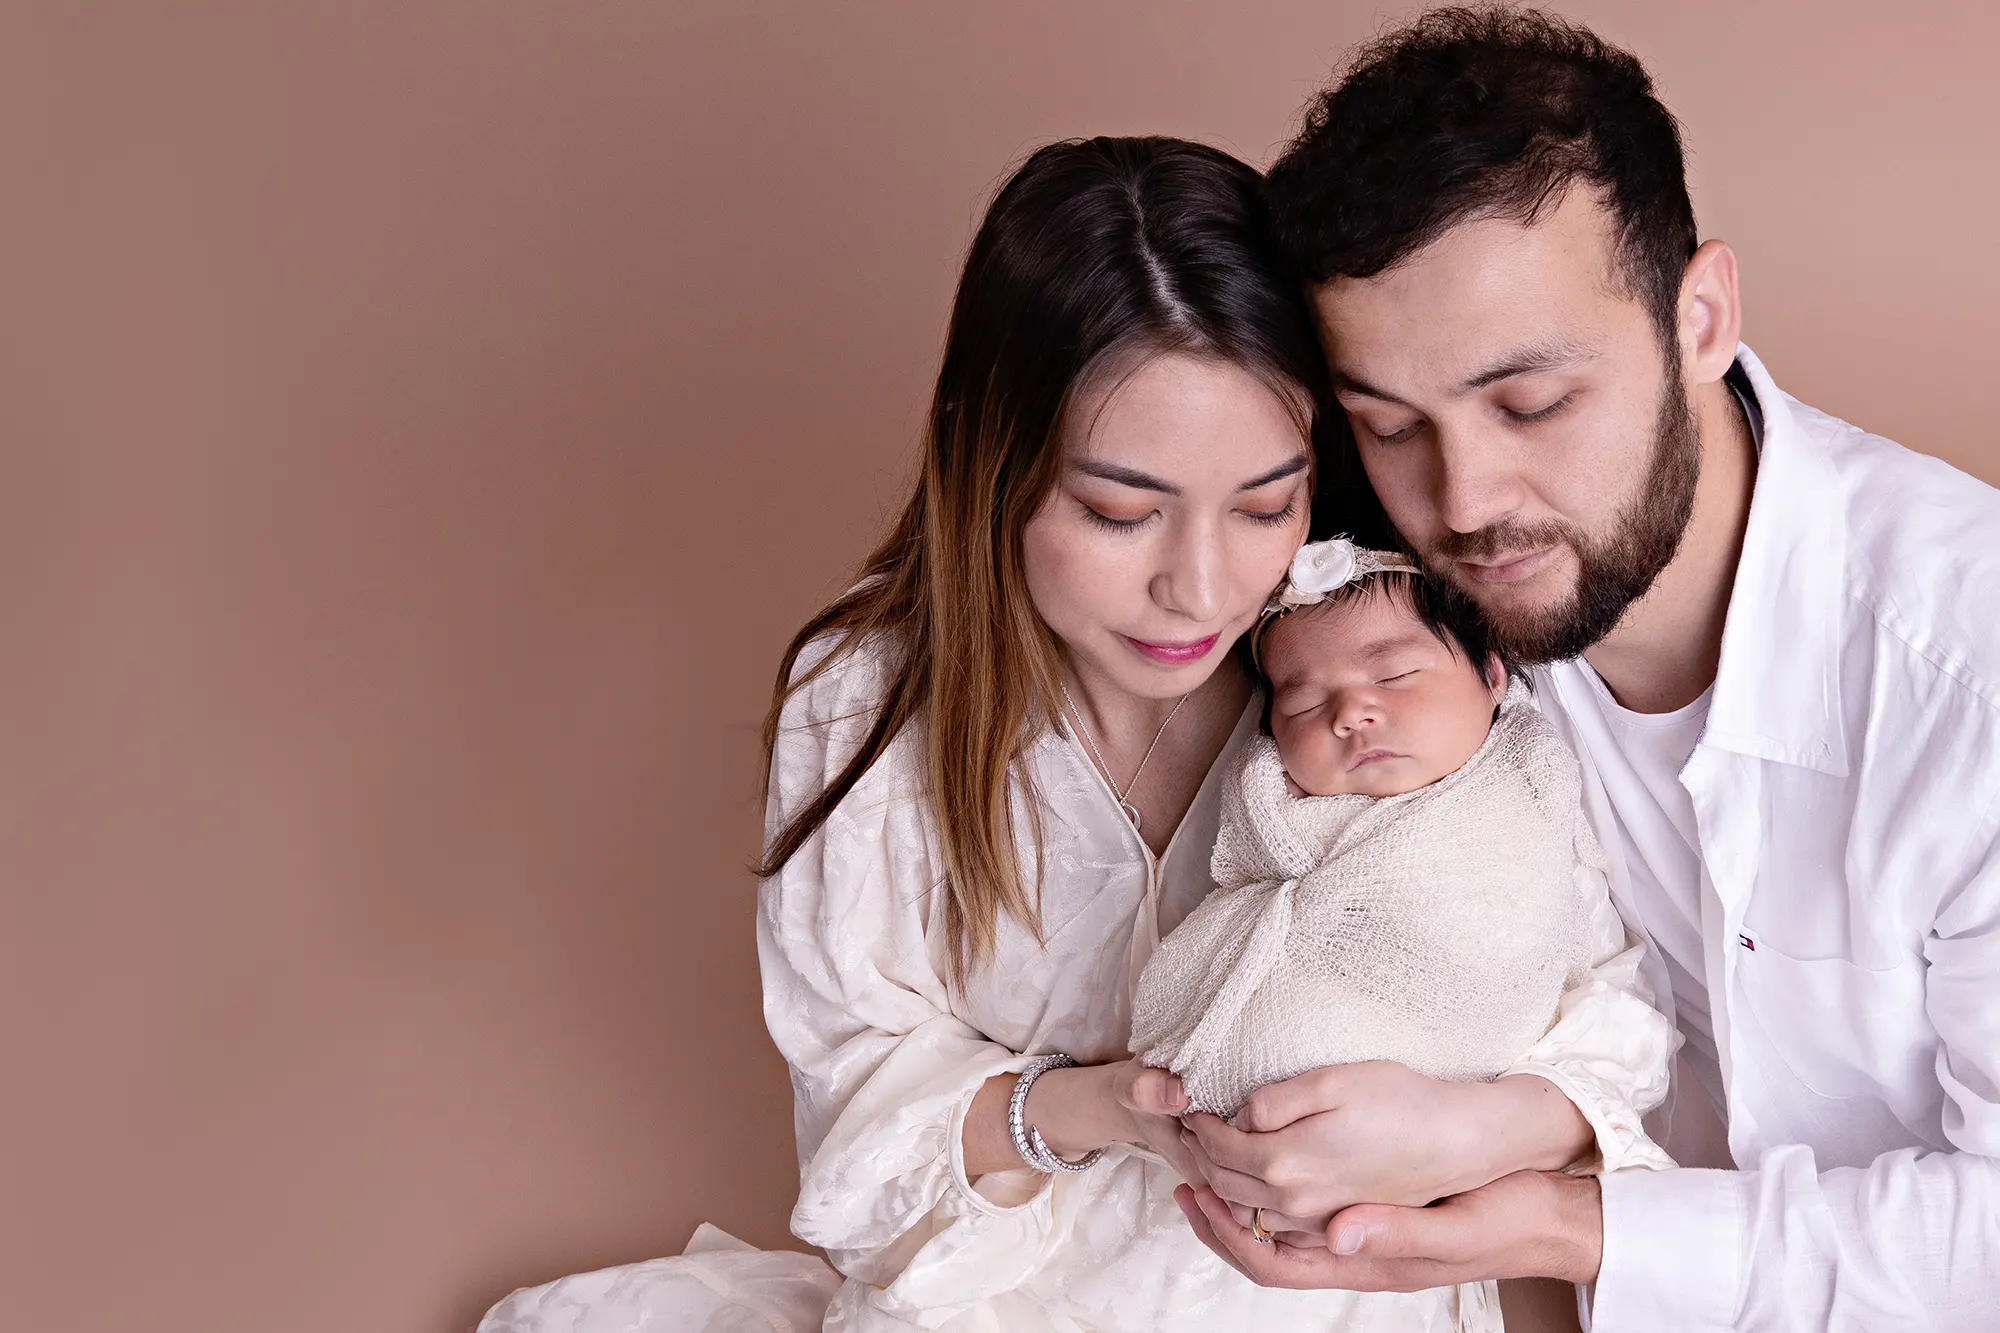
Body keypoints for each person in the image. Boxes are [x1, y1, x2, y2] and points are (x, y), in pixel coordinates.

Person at [479, 134, 1669, 1333]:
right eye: (1117, 512)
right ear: (992, 464)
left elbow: (1610, 1011)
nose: (1201, 590)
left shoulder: (1401, 661)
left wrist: (1471, 1124)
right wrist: (1101, 1107)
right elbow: (858, 1130)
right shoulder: (862, 704)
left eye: (1264, 503)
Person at [1176, 9, 2000, 1331]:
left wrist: (1567, 1215)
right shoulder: (1391, 611)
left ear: (1702, 315)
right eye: (1393, 425)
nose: (1466, 497)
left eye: (1534, 404)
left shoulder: (1968, 671)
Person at [1128, 538, 1674, 1331]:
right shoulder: (1274, 824)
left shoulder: (1530, 818)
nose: (1351, 712)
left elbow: (1622, 1012)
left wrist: (1484, 1122)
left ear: (1491, 674)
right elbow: (1237, 923)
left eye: (1394, 674)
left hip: (1406, 1210)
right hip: (1205, 1194)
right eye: (1305, 701)